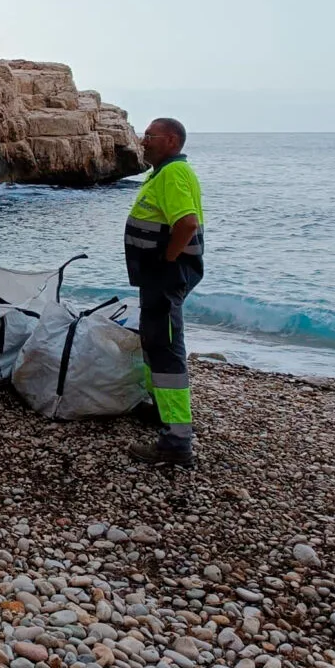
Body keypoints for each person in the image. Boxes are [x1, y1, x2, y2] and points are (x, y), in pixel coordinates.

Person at [124, 117, 205, 465]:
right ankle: (159, 409)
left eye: (150, 135)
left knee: (166, 349)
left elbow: (187, 223)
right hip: (156, 278)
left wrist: (166, 262)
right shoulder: (162, 172)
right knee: (153, 340)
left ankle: (176, 441)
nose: (143, 141)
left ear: (171, 140)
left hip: (165, 278)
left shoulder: (173, 174)